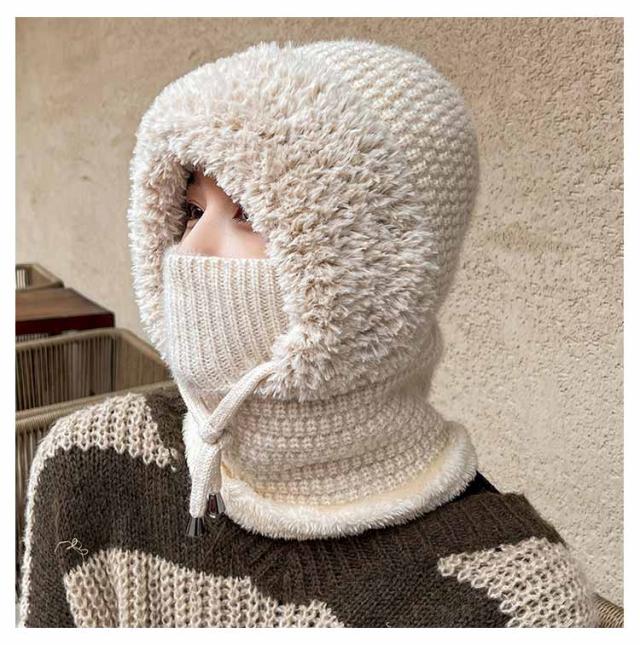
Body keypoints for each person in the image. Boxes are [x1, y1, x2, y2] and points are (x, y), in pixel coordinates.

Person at [19, 38, 599, 628]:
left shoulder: (517, 601)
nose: (189, 250)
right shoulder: (94, 467)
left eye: (250, 213)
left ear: (379, 269)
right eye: (192, 211)